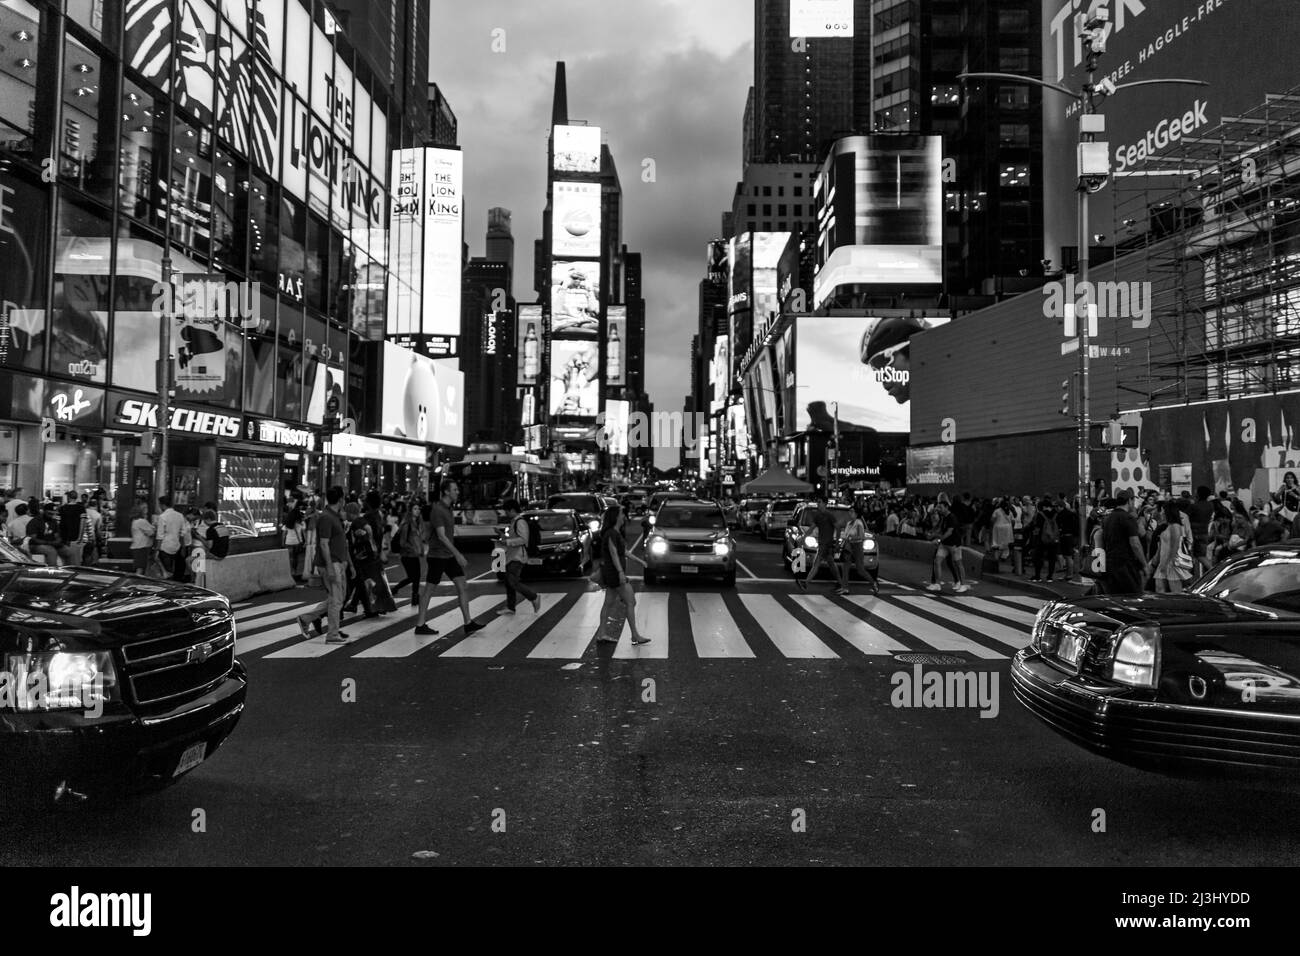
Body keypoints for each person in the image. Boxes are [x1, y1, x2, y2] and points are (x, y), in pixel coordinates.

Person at [414, 480, 483, 636]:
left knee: (462, 585)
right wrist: (458, 554)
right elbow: (441, 536)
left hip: (448, 555)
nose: (457, 492)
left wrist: (454, 554)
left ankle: (468, 623)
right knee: (429, 590)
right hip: (438, 555)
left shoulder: (448, 508)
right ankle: (420, 625)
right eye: (455, 489)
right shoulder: (438, 510)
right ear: (446, 492)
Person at [298, 487, 352, 644]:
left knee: (338, 598)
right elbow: (323, 544)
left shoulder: (333, 516)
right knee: (336, 600)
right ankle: (332, 634)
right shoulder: (327, 518)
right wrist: (329, 567)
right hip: (331, 563)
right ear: (341, 500)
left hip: (337, 562)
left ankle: (306, 619)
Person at [595, 504, 649, 645]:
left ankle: (602, 634)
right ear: (615, 517)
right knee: (631, 602)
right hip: (614, 573)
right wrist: (620, 573)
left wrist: (639, 561)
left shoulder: (614, 533)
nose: (624, 516)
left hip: (611, 572)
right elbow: (613, 554)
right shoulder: (612, 533)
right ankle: (635, 635)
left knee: (608, 603)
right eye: (621, 514)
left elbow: (623, 552)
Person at [343, 500, 397, 617]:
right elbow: (369, 530)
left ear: (350, 512)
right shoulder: (362, 520)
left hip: (363, 558)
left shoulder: (356, 522)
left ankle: (369, 607)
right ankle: (372, 608)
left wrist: (361, 542)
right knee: (370, 583)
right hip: (370, 556)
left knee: (364, 583)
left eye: (346, 512)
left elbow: (366, 532)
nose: (345, 514)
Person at [796, 495, 848, 596]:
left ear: (825, 503)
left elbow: (838, 528)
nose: (818, 504)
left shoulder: (829, 515)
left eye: (819, 502)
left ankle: (806, 583)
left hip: (826, 544)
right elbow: (811, 528)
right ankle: (841, 584)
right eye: (818, 502)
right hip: (822, 543)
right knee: (831, 564)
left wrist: (837, 542)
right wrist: (803, 537)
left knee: (817, 563)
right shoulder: (818, 516)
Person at [498, 499, 542, 615]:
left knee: (513, 582)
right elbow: (514, 538)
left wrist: (507, 542)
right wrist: (503, 537)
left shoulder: (520, 522)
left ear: (512, 510)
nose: (506, 514)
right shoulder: (514, 521)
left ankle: (534, 597)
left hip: (517, 557)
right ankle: (511, 607)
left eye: (507, 511)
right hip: (511, 556)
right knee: (509, 582)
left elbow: (523, 539)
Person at [1101, 489, 1148, 595]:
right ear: (1129, 501)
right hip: (1126, 565)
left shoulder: (1108, 518)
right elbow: (1135, 544)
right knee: (1133, 596)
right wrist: (1144, 564)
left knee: (1115, 598)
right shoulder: (1127, 518)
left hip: (1110, 564)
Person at [1147, 501, 1192, 593]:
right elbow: (1162, 547)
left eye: (1163, 511)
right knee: (1160, 588)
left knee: (1175, 591)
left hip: (1172, 562)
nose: (1161, 513)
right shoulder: (1169, 526)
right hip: (1164, 561)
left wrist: (1166, 562)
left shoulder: (1175, 526)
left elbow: (1175, 546)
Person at [926, 498, 969, 593]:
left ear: (946, 507)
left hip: (954, 545)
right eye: (938, 507)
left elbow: (949, 532)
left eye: (940, 507)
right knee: (937, 561)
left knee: (958, 563)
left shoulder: (951, 517)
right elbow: (942, 530)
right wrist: (935, 536)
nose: (938, 509)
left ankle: (962, 584)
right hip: (945, 544)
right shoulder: (944, 518)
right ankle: (937, 584)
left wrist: (939, 539)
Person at [392, 498, 429, 607]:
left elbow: (418, 539)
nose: (418, 511)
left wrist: (421, 549)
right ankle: (396, 588)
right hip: (407, 555)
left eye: (418, 509)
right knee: (413, 577)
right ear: (410, 511)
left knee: (416, 577)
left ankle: (415, 598)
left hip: (414, 555)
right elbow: (403, 542)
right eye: (415, 509)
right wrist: (414, 549)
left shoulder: (417, 523)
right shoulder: (406, 525)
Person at [839, 505, 879, 596]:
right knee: (845, 567)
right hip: (848, 547)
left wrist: (851, 538)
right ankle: (845, 588)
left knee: (860, 570)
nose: (850, 513)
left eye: (852, 511)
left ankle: (873, 583)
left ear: (857, 513)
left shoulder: (859, 523)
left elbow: (861, 536)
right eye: (850, 511)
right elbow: (846, 536)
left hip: (857, 547)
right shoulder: (849, 523)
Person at [155, 496, 188, 582]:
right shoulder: (180, 515)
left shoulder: (162, 517)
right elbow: (183, 532)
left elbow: (160, 535)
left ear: (162, 505)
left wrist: (157, 550)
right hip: (177, 546)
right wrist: (183, 547)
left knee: (166, 572)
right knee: (175, 570)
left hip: (165, 547)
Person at [1029, 498, 1061, 583]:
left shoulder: (1040, 514)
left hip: (1042, 539)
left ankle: (1037, 576)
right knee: (1052, 558)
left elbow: (1037, 527)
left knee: (1039, 557)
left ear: (1044, 506)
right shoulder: (1056, 514)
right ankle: (1050, 577)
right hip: (1054, 540)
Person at [282, 496, 307, 583]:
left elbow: (284, 534)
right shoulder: (301, 523)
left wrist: (283, 542)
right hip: (297, 542)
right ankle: (296, 573)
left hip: (288, 542)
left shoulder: (287, 524)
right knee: (297, 559)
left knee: (290, 559)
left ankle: (291, 573)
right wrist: (305, 542)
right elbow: (304, 533)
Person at [129, 503, 155, 574]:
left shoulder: (135, 521)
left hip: (137, 546)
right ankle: (137, 581)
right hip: (141, 547)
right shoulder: (141, 521)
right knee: (140, 568)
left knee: (139, 567)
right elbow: (151, 533)